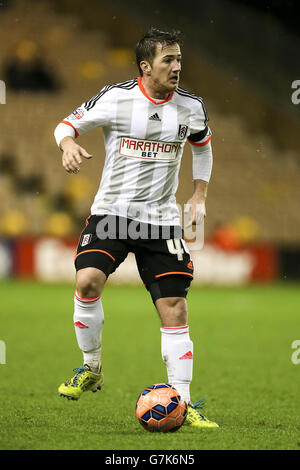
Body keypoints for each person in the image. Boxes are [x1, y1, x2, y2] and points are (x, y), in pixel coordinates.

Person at [54, 28, 218, 428]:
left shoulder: (191, 107)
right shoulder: (116, 98)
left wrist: (198, 196)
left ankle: (182, 400)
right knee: (88, 281)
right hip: (112, 213)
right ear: (146, 66)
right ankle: (90, 367)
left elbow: (203, 146)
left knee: (175, 309)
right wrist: (68, 145)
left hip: (161, 221)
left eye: (179, 59)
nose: (177, 67)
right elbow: (65, 125)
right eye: (168, 60)